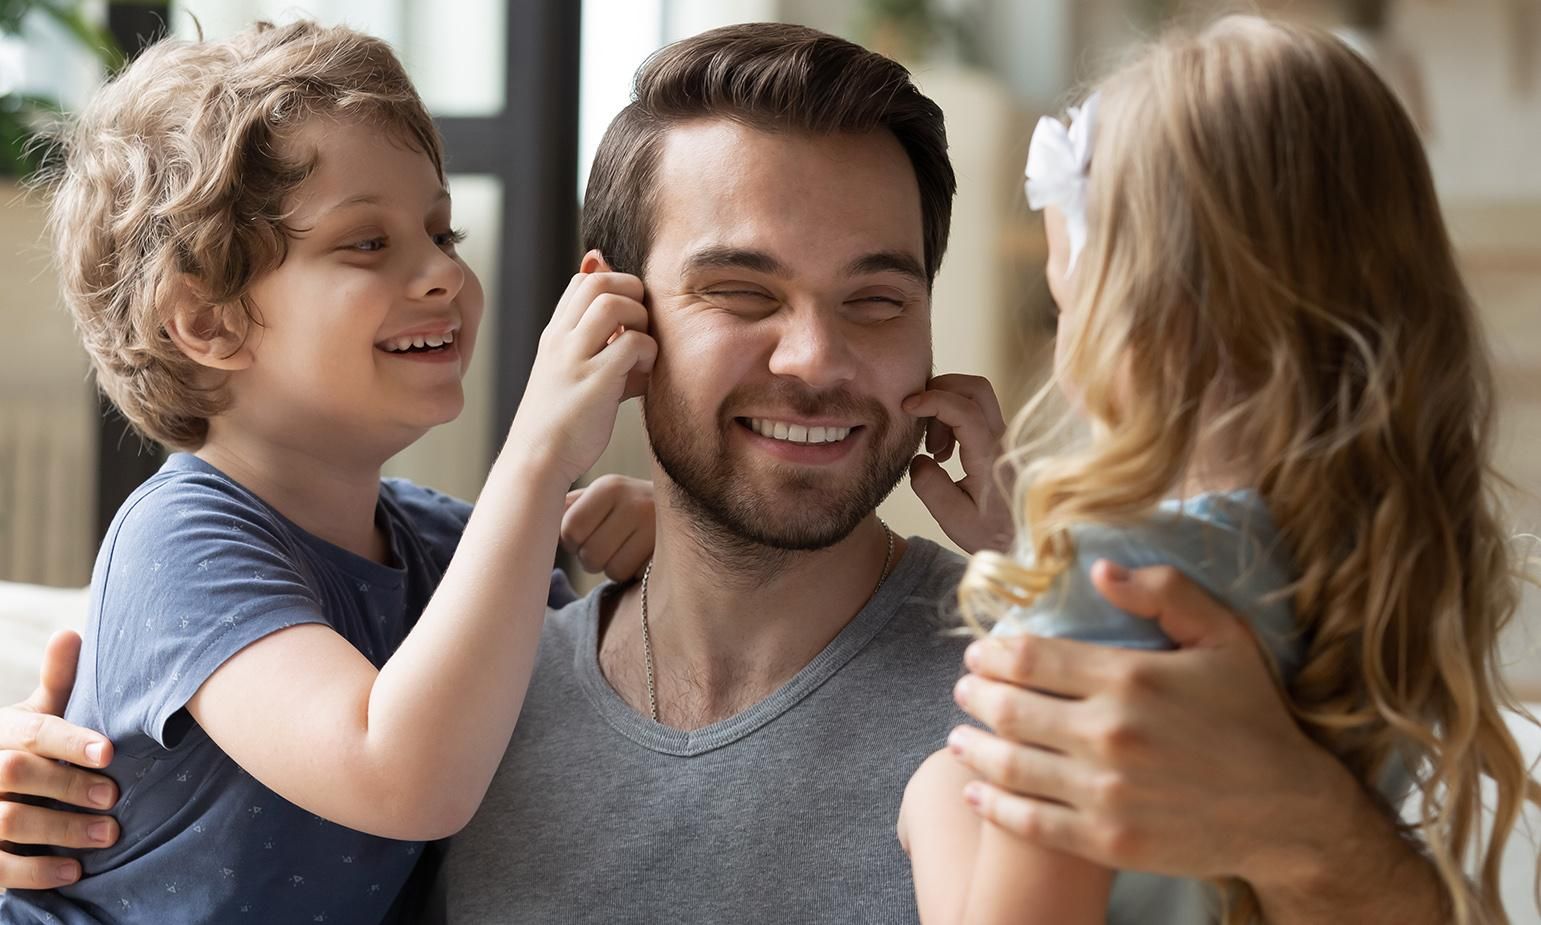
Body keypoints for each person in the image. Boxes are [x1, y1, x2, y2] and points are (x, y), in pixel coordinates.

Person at [0, 21, 1467, 925]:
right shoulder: (474, 661)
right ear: (614, 316)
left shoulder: (1072, 680)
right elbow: (248, 748)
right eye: (741, 292)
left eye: (876, 299)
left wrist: (1312, 829)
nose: (814, 358)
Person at [0, 20, 656, 924]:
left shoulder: (453, 546)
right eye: (367, 243)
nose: (444, 273)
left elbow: (597, 746)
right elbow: (399, 775)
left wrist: (664, 574)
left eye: (442, 231)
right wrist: (538, 455)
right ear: (210, 321)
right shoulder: (178, 541)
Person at [901, 14, 1539, 925]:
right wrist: (1024, 550)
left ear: (1135, 320)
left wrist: (934, 799)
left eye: (1064, 302)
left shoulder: (1109, 583)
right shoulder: (1381, 560)